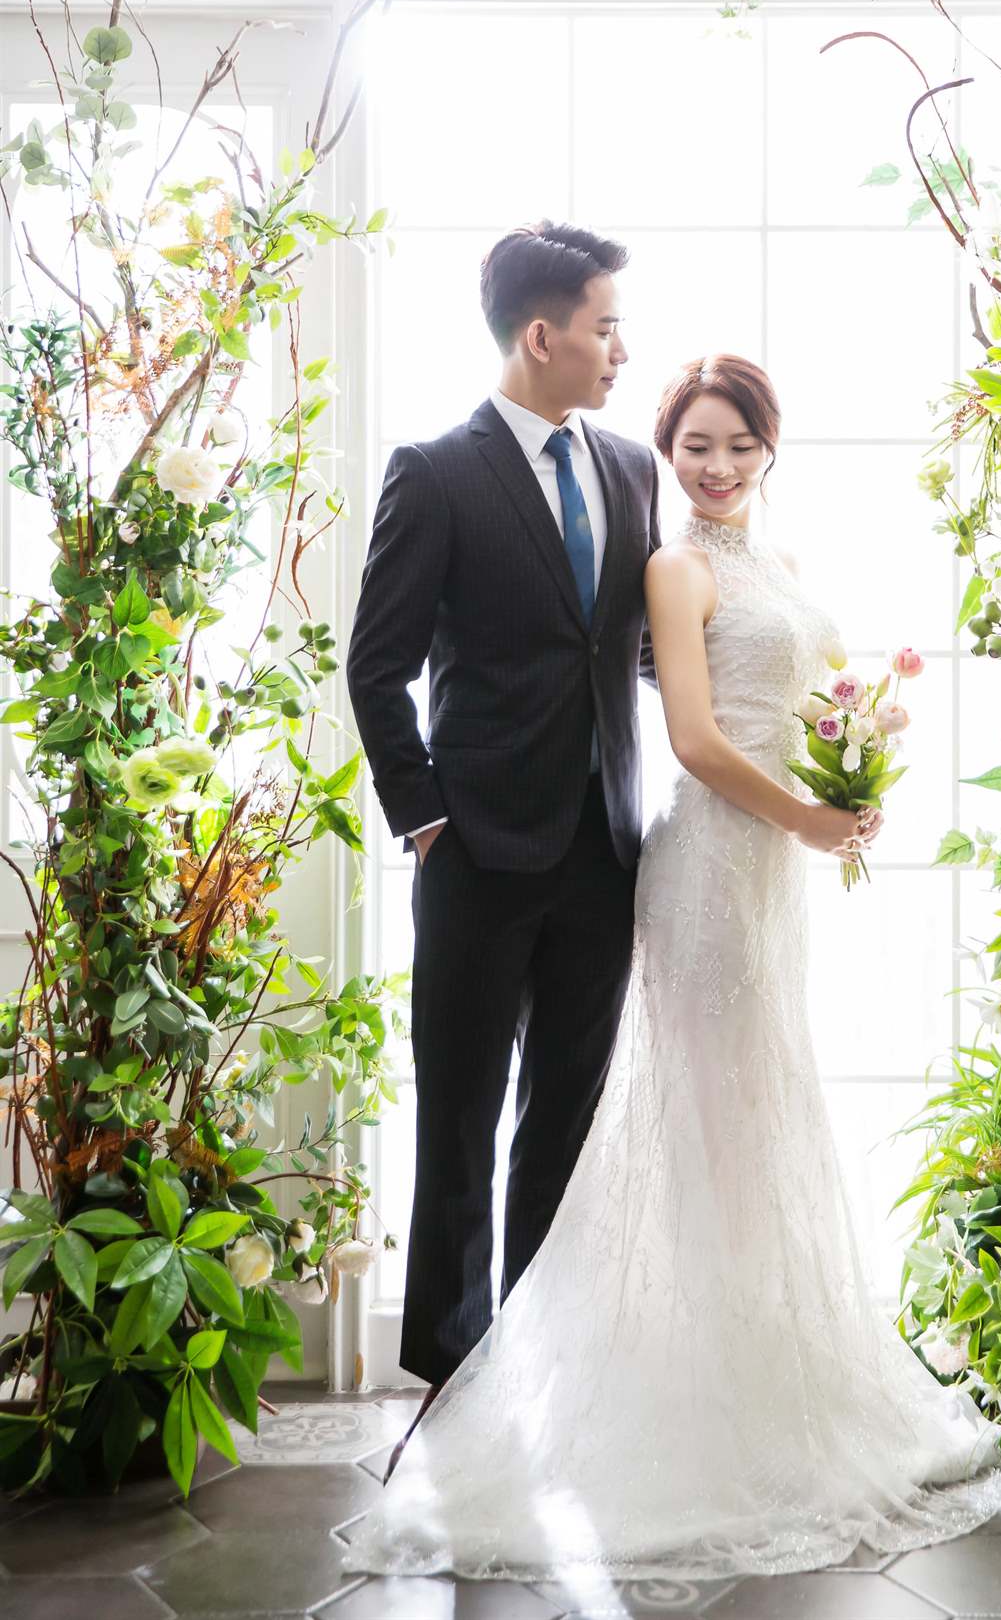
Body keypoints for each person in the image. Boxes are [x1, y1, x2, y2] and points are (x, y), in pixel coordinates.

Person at [342, 353, 1001, 1583]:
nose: (715, 466)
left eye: (738, 445)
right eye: (695, 446)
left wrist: (851, 766)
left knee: (734, 1121)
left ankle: (742, 1375)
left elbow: (735, 683)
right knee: (546, 1114)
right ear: (669, 448)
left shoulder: (737, 543)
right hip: (684, 859)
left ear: (771, 446)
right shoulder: (648, 551)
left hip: (704, 865)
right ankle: (479, 1383)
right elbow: (693, 735)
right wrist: (805, 816)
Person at [345, 220, 662, 1407]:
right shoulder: (434, 473)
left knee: (564, 1121)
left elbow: (632, 650)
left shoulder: (630, 469)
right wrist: (426, 819)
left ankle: (543, 1361)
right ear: (541, 335)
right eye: (605, 327)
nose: (621, 349)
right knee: (460, 1117)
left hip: (604, 847)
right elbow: (376, 667)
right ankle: (451, 1377)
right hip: (475, 852)